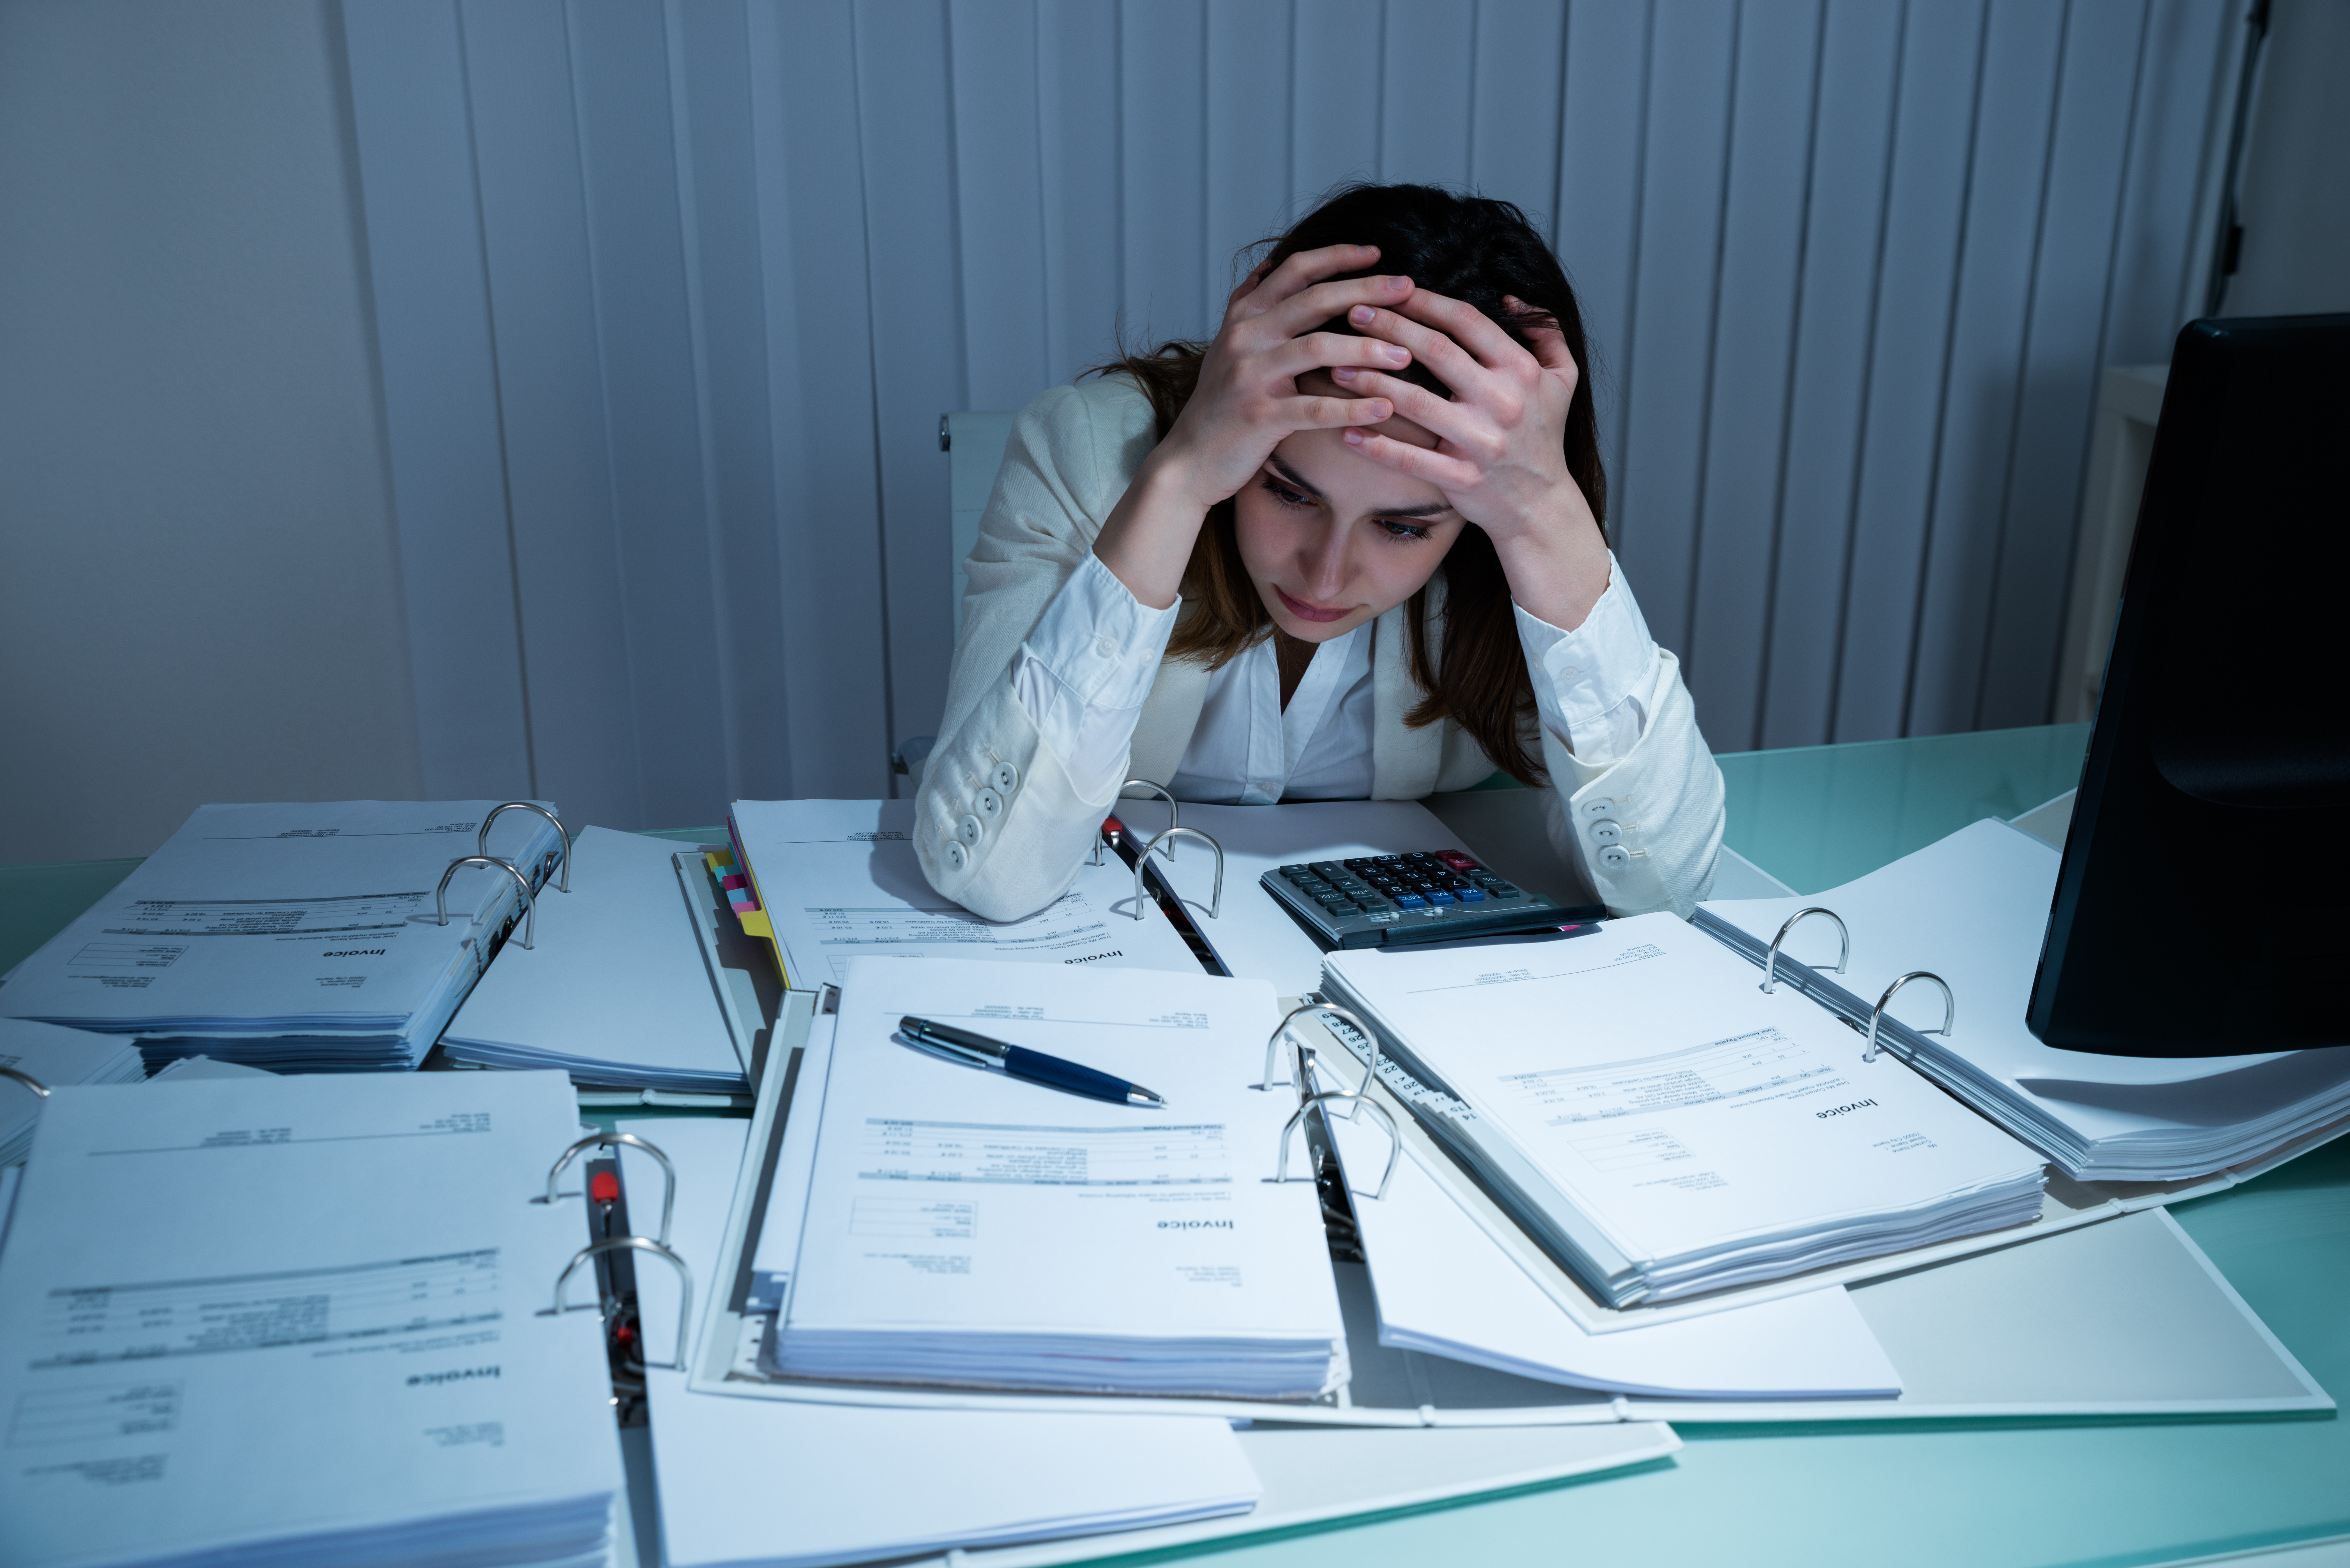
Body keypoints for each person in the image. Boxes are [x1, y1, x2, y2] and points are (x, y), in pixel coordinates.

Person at [916, 183, 1724, 923]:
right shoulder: (1087, 455)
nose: (1325, 575)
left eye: (1403, 527)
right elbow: (988, 874)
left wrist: (1547, 514)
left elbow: (1663, 887)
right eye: (1289, 492)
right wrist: (1181, 478)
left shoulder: (1507, 515)